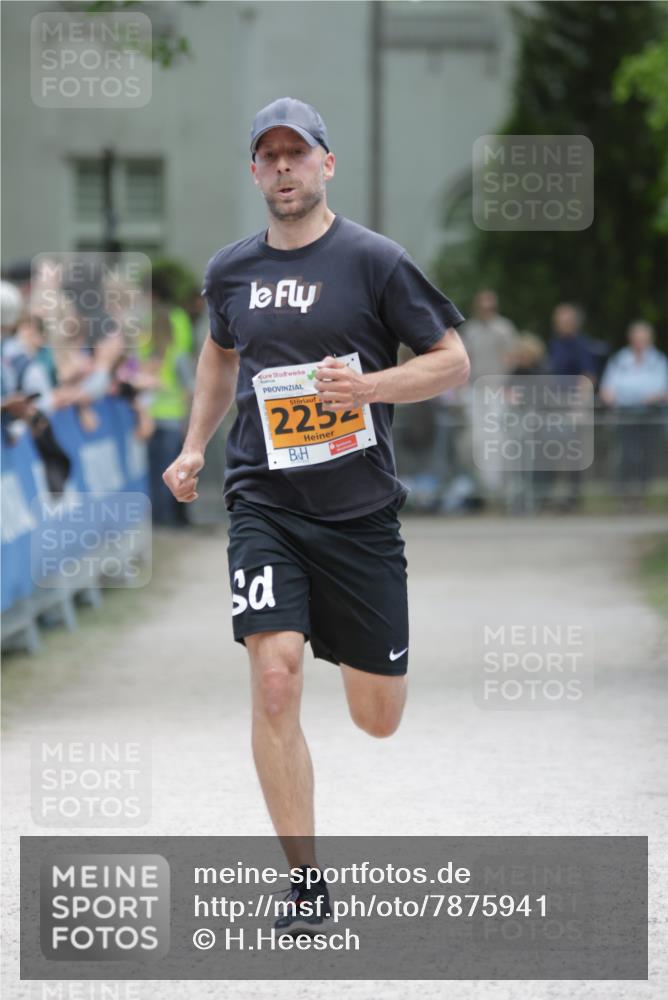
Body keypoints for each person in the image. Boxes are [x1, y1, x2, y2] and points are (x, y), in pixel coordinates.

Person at [162, 97, 469, 932]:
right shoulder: (230, 272)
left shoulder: (376, 261)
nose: (285, 167)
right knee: (273, 681)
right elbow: (220, 358)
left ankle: (341, 634)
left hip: (361, 514)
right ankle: (305, 884)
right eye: (270, 155)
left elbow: (453, 362)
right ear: (254, 170)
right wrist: (195, 446)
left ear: (326, 164)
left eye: (299, 153)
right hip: (264, 503)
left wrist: (367, 388)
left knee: (378, 719)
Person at [599, 320, 668, 509]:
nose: (639, 343)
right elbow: (607, 387)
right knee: (626, 455)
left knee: (647, 455)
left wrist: (654, 397)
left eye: (643, 339)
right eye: (636, 339)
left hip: (649, 414)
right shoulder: (620, 360)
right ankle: (625, 495)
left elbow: (663, 389)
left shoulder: (659, 361)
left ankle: (641, 495)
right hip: (625, 412)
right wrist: (611, 396)